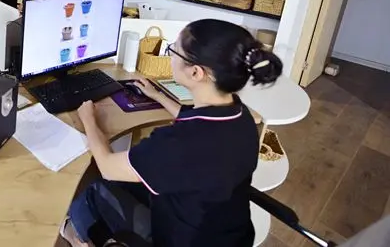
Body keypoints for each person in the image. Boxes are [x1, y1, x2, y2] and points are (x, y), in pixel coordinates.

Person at [61, 19, 282, 247]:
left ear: (195, 72)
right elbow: (193, 119)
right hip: (228, 235)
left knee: (94, 190)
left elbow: (107, 167)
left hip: (181, 240)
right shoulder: (241, 116)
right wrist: (157, 96)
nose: (171, 57)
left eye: (174, 50)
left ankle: (73, 236)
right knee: (131, 181)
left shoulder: (179, 143)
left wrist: (88, 119)